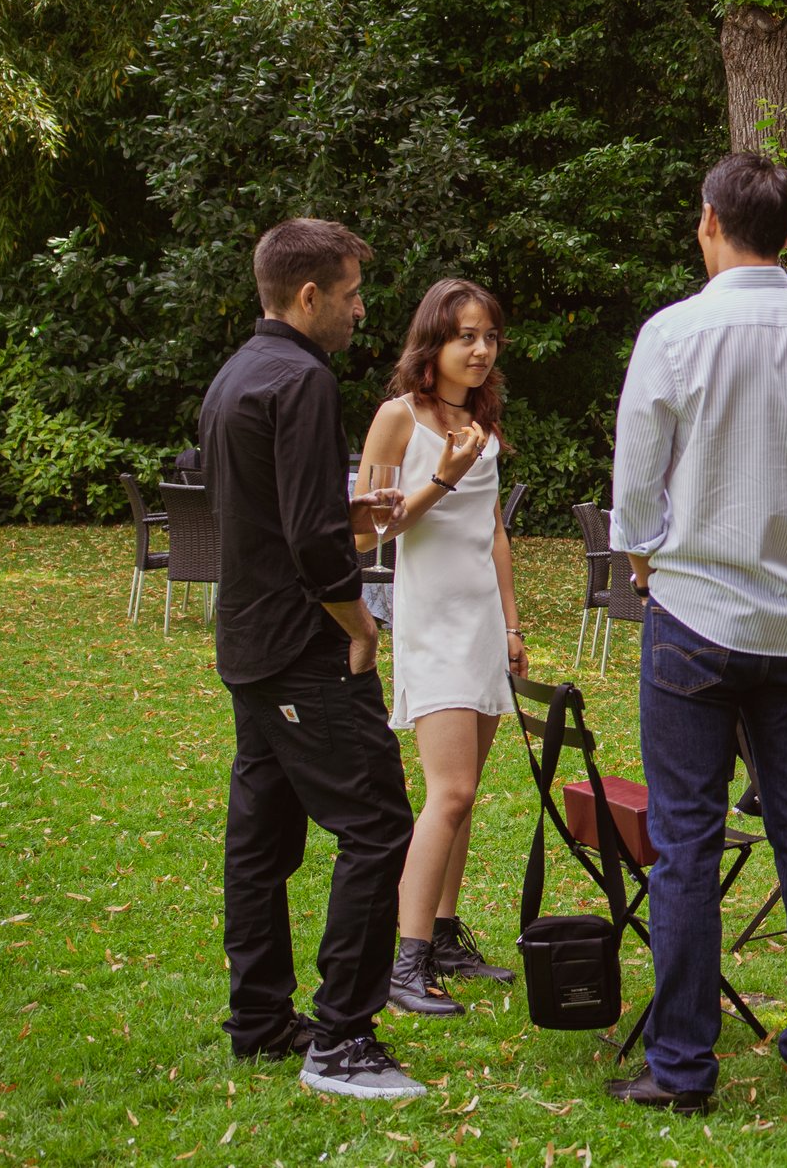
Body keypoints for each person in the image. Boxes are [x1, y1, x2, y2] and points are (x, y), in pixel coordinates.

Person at [606, 152, 787, 1112]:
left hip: (693, 611)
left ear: (709, 220)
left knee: (687, 838)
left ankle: (683, 1065)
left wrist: (648, 567)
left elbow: (635, 488)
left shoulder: (675, 333)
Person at [199, 218, 423, 1100]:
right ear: (307, 296)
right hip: (300, 649)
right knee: (377, 825)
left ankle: (258, 1019)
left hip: (248, 643)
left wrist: (360, 516)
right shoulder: (301, 376)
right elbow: (305, 540)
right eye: (352, 293)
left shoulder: (238, 374)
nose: (361, 311)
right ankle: (343, 1040)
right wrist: (360, 625)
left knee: (261, 840)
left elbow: (274, 511)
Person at [351, 278, 526, 1018]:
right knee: (447, 792)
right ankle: (405, 958)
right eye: (465, 336)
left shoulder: (479, 423)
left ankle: (445, 936)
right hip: (432, 625)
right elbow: (367, 533)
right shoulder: (399, 419)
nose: (481, 349)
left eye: (488, 336)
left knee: (463, 795)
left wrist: (513, 625)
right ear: (434, 343)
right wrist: (440, 476)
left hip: (483, 623)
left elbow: (491, 530)